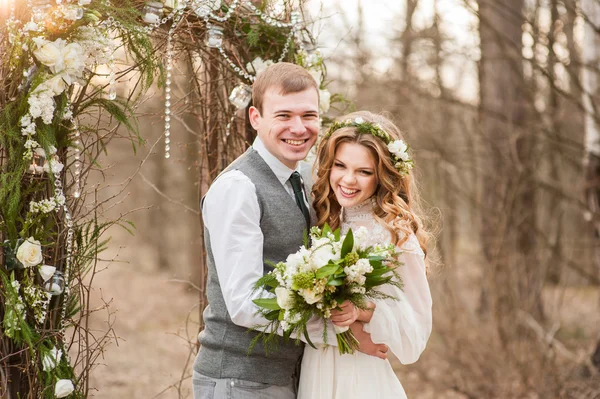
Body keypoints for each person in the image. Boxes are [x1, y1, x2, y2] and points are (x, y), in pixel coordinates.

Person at [192, 64, 387, 399]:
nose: (299, 128)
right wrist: (337, 331)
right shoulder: (238, 188)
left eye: (308, 115)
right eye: (284, 115)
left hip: (289, 377)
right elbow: (244, 303)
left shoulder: (309, 177)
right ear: (255, 117)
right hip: (241, 381)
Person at [298, 111, 433, 398]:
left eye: (364, 171)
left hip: (359, 375)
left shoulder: (396, 235)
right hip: (316, 365)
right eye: (340, 165)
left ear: (382, 176)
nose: (348, 179)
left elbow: (415, 332)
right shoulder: (323, 217)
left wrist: (361, 311)